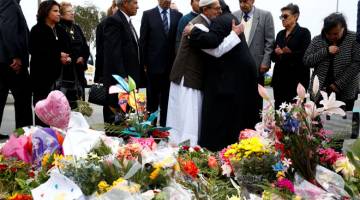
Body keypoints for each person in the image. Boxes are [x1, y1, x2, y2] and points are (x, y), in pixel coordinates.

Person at [167, 0, 244, 146]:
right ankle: (187, 153)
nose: (219, 12)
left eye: (220, 8)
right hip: (188, 77)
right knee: (187, 120)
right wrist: (235, 34)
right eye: (216, 9)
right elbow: (216, 51)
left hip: (186, 76)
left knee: (180, 119)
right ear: (205, 10)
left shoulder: (200, 24)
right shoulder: (199, 26)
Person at [188, 0, 258, 151]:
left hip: (235, 74)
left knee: (228, 114)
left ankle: (223, 147)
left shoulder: (221, 20)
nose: (217, 12)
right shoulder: (229, 18)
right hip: (242, 72)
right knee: (239, 114)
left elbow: (212, 43)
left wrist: (192, 32)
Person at [304, 13, 360, 111]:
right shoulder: (318, 40)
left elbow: (357, 63)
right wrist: (325, 51)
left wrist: (338, 84)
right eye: (328, 33)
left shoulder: (354, 38)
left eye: (336, 33)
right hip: (320, 91)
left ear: (343, 28)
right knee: (319, 124)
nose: (332, 37)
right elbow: (306, 60)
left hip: (345, 90)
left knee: (344, 124)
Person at [140, 0, 183, 127]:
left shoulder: (178, 16)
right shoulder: (148, 15)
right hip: (153, 68)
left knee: (167, 102)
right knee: (152, 101)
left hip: (171, 67)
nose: (168, 1)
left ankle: (164, 129)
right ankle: (151, 129)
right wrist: (144, 64)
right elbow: (143, 42)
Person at [103, 0, 146, 124]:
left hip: (130, 80)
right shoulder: (114, 21)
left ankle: (128, 142)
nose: (138, 6)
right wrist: (122, 77)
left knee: (128, 117)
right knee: (118, 119)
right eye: (135, 3)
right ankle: (115, 142)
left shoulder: (127, 21)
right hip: (121, 82)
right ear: (125, 3)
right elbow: (114, 53)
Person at [30, 0, 71, 126]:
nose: (59, 14)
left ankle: (58, 141)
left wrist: (68, 58)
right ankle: (42, 141)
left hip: (59, 79)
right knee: (42, 113)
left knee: (59, 113)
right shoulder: (37, 30)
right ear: (46, 12)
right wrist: (58, 55)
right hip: (41, 79)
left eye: (59, 11)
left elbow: (68, 49)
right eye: (55, 11)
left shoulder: (61, 30)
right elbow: (36, 51)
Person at [233, 0, 274, 120]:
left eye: (245, 1)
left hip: (257, 66)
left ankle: (255, 131)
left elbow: (269, 41)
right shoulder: (234, 16)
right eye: (240, 1)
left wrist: (265, 62)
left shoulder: (265, 15)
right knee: (238, 101)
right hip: (237, 67)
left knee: (255, 102)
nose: (242, 4)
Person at [0, 0, 33, 136]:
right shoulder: (10, 3)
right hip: (12, 62)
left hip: (3, 60)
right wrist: (15, 56)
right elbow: (9, 29)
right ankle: (23, 134)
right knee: (23, 99)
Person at [271, 4, 311, 109]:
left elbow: (304, 55)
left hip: (296, 81)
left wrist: (285, 53)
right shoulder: (280, 34)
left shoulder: (304, 33)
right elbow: (273, 57)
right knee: (279, 114)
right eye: (281, 17)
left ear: (295, 16)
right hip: (280, 81)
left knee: (296, 114)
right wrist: (277, 53)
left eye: (285, 16)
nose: (282, 19)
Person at [59, 2, 90, 108]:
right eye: (69, 12)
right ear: (61, 14)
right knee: (66, 105)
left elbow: (85, 46)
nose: (72, 14)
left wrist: (83, 57)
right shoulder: (59, 28)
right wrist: (72, 58)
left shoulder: (77, 28)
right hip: (66, 71)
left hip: (79, 70)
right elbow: (62, 47)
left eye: (73, 11)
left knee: (79, 103)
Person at [95, 0, 118, 83]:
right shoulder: (102, 25)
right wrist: (99, 75)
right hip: (107, 70)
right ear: (113, 8)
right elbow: (100, 50)